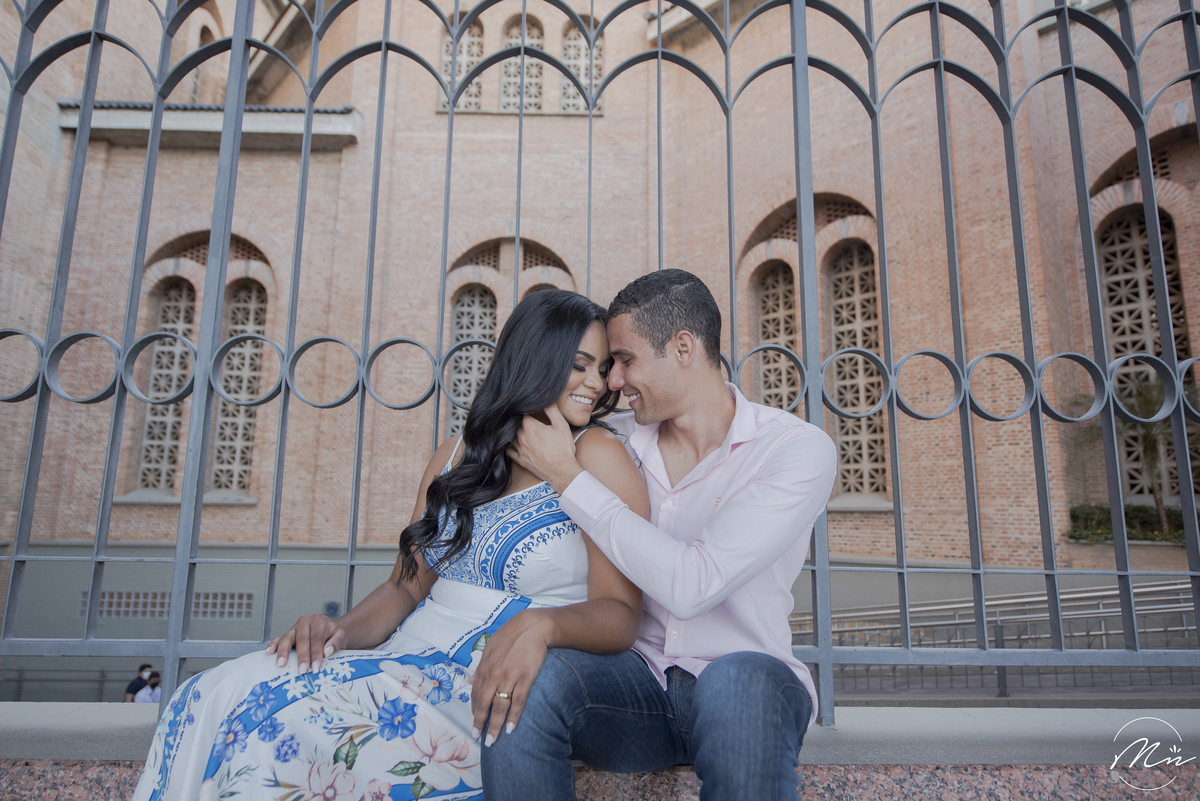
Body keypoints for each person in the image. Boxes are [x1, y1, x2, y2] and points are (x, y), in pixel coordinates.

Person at [132, 289, 649, 801]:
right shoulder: (459, 454)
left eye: (602, 368)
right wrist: (336, 631)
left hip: (481, 680)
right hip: (404, 656)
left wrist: (543, 625)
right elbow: (405, 587)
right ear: (534, 362)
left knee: (282, 723)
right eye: (578, 365)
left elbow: (621, 612)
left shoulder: (598, 455)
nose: (595, 383)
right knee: (213, 691)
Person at [488, 269, 837, 800]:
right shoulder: (612, 439)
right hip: (634, 686)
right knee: (532, 679)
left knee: (736, 681)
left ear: (682, 348)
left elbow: (694, 584)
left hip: (746, 686)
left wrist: (571, 480)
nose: (612, 382)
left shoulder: (793, 451)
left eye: (624, 361)